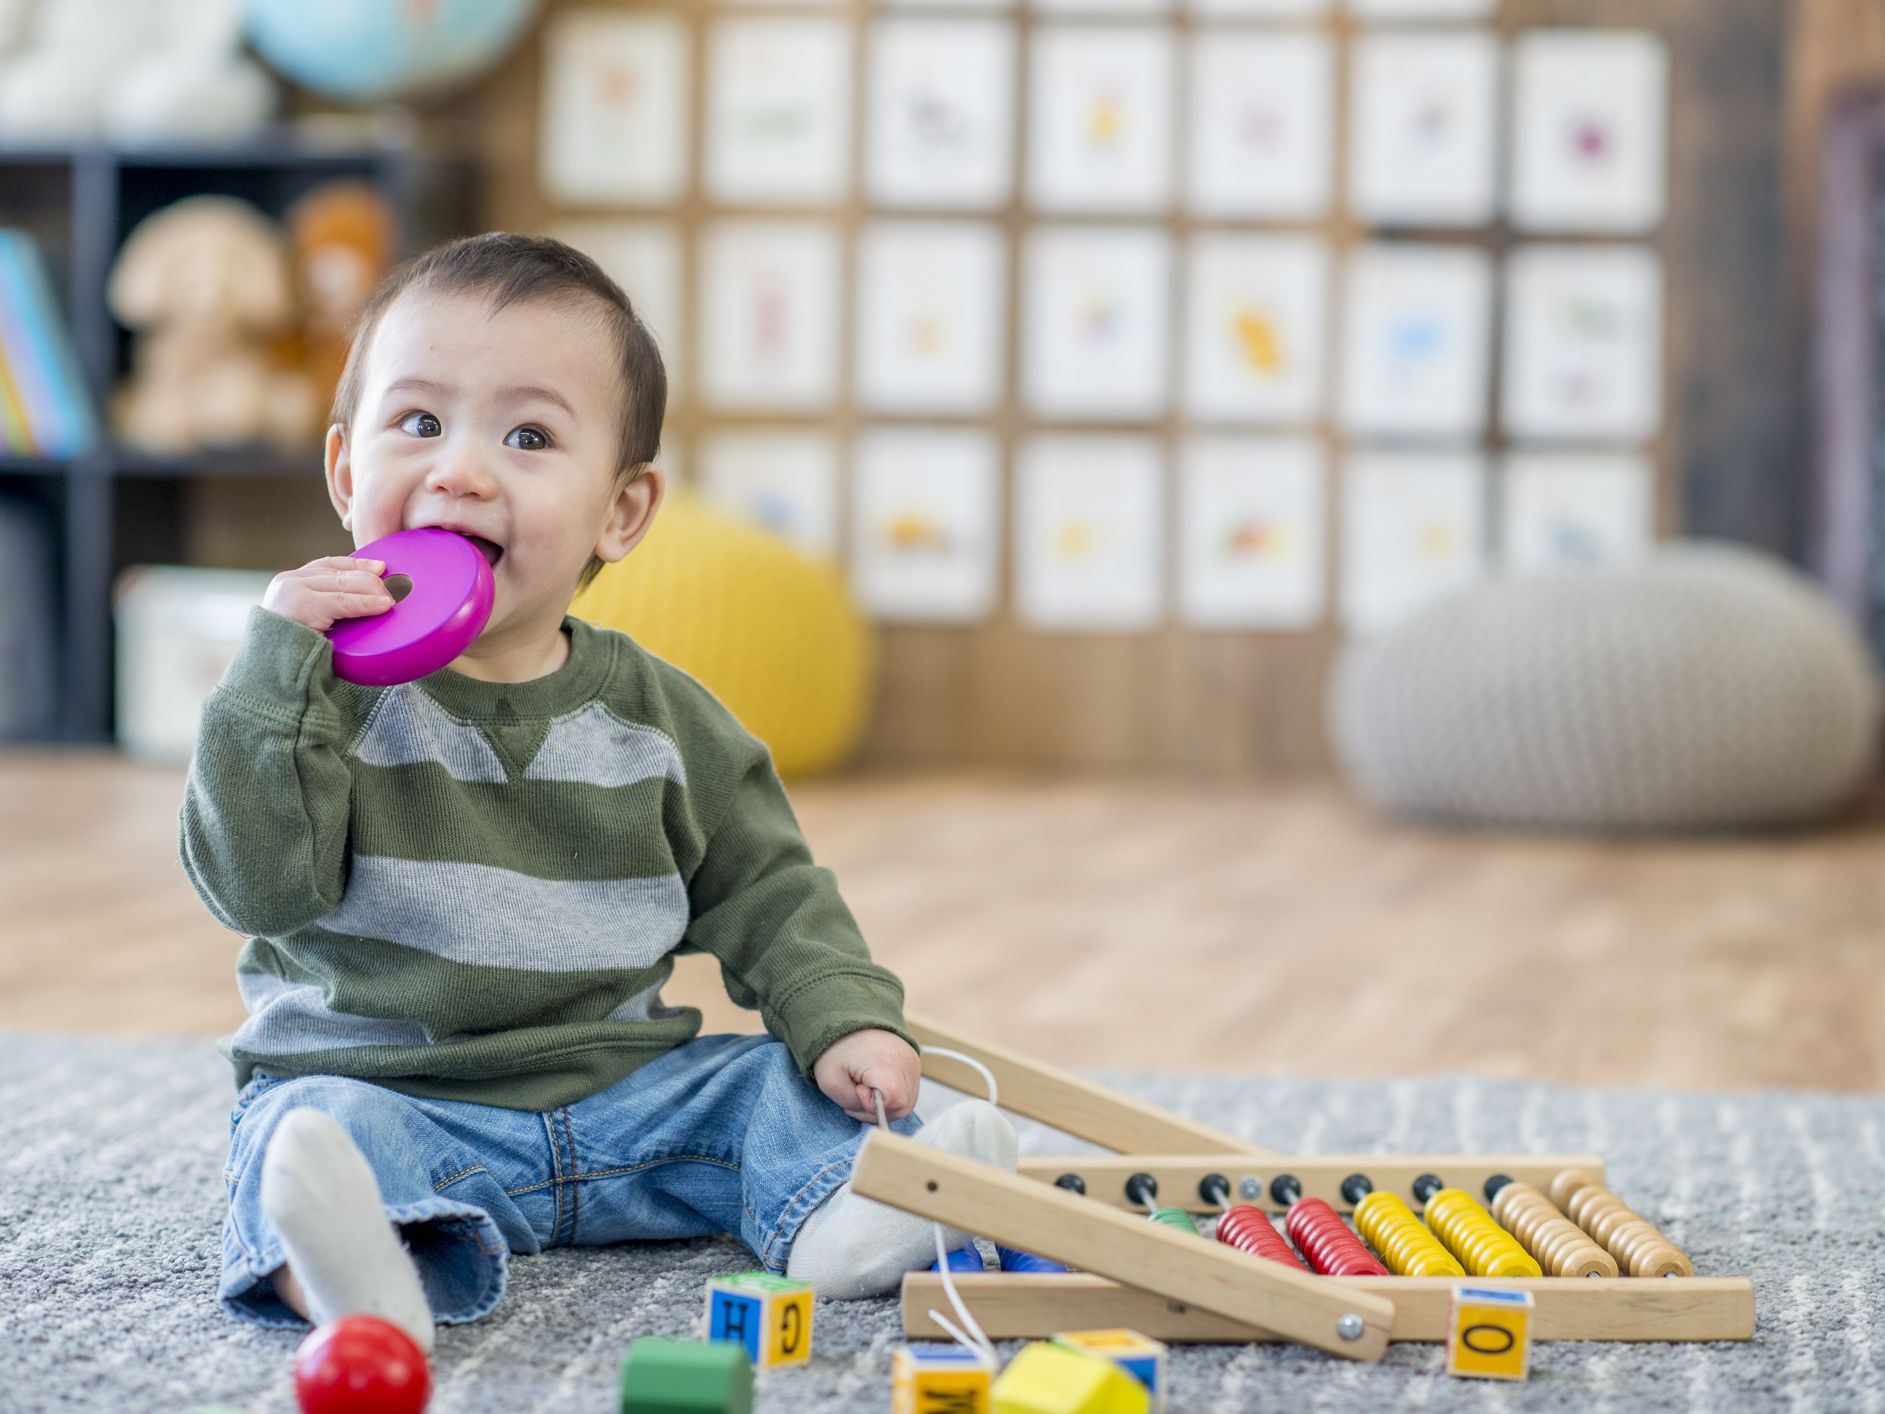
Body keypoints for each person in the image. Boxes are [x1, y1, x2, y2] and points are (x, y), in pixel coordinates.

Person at [181, 232, 1015, 1352]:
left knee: (770, 1090)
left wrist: (843, 1017)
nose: (460, 470)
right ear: (344, 473)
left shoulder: (665, 721)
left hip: (630, 1102)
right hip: (399, 1091)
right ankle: (360, 1276)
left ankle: (854, 1208)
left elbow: (769, 888)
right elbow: (258, 889)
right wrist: (270, 675)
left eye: (527, 436)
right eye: (418, 423)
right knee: (310, 1130)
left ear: (620, 512)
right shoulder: (309, 699)